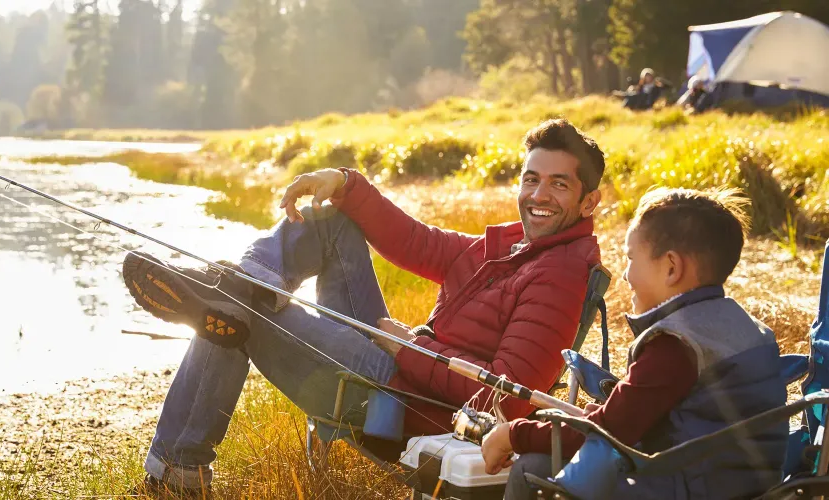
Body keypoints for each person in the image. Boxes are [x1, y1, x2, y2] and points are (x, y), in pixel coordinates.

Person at [124, 118, 606, 496]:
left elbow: (504, 398)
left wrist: (407, 347)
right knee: (331, 225)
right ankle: (245, 282)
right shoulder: (511, 248)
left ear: (589, 201)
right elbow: (415, 241)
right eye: (531, 179)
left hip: (403, 400)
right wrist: (342, 182)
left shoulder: (560, 275)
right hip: (400, 366)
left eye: (559, 185)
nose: (539, 195)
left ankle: (179, 464)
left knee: (238, 307)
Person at [481, 187, 788, 499]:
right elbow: (688, 416)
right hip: (742, 485)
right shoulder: (748, 328)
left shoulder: (674, 343)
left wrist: (511, 435)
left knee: (532, 468)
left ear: (671, 267)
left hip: (685, 488)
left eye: (630, 258)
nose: (626, 276)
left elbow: (608, 432)